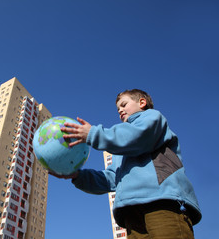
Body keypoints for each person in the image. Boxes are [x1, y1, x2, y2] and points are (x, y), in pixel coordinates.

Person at [56, 89, 202, 239]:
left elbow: (138, 136)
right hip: (131, 213)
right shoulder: (122, 151)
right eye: (118, 108)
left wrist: (93, 134)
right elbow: (110, 178)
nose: (120, 110)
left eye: (124, 104)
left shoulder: (152, 118)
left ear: (142, 102)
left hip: (162, 202)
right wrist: (77, 175)